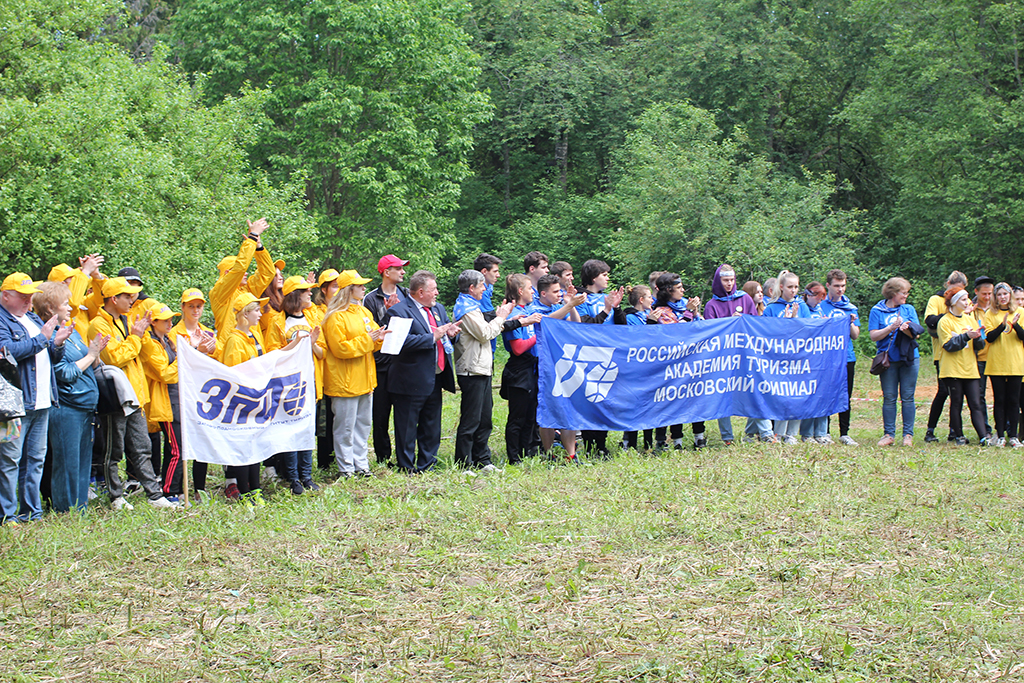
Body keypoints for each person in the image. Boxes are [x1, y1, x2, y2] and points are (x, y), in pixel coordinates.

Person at [87, 277, 176, 509]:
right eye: (127, 296)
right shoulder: (98, 325)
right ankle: (116, 496)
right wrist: (135, 336)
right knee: (114, 450)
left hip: (135, 395)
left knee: (142, 447)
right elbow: (114, 358)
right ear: (113, 299)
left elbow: (140, 352)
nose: (132, 299)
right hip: (114, 396)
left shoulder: (127, 321)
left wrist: (139, 335)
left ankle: (154, 495)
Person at [0, 274, 69, 523]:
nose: (29, 301)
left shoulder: (31, 318)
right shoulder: (2, 320)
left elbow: (49, 355)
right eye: (23, 296)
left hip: (42, 401)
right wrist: (42, 339)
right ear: (5, 296)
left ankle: (31, 512)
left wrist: (57, 343)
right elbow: (7, 351)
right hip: (12, 407)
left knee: (35, 459)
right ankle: (7, 515)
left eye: (30, 295)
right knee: (9, 459)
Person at [33, 282, 107, 513]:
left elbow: (85, 361)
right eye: (65, 303)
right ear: (50, 308)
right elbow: (64, 373)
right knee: (67, 463)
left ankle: (80, 508)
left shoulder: (71, 330)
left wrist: (95, 352)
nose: (70, 307)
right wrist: (91, 355)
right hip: (66, 407)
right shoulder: (48, 336)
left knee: (83, 461)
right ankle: (66, 511)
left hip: (85, 406)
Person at [384, 270, 460, 473]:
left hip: (435, 376)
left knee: (431, 424)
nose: (437, 293)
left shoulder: (438, 309)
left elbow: (444, 334)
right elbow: (399, 343)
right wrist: (432, 337)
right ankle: (406, 466)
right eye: (433, 289)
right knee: (407, 426)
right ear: (420, 292)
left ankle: (428, 464)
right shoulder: (399, 311)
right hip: (409, 379)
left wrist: (451, 334)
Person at [323, 271, 386, 478]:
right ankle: (346, 468)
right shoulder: (335, 317)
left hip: (365, 380)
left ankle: (362, 465)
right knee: (345, 428)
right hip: (345, 382)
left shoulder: (364, 312)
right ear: (348, 290)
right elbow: (340, 348)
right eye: (359, 286)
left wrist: (380, 338)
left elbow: (373, 340)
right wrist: (369, 339)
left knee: (363, 425)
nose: (363, 288)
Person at [453, 270, 514, 473]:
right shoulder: (466, 309)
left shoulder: (474, 306)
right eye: (481, 286)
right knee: (471, 419)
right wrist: (501, 317)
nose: (484, 289)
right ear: (471, 288)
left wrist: (501, 318)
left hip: (482, 368)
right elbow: (485, 333)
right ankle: (464, 463)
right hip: (471, 370)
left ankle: (483, 460)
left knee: (485, 418)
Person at [220, 291, 271, 503]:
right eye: (256, 310)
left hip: (257, 398)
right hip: (243, 400)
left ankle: (255, 489)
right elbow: (233, 373)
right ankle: (243, 490)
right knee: (243, 445)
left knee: (254, 444)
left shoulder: (254, 335)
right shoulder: (234, 340)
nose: (260, 314)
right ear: (245, 314)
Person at [363, 254, 409, 467]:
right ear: (386, 272)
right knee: (380, 414)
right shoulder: (370, 299)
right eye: (398, 268)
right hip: (381, 364)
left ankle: (404, 456)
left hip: (403, 362)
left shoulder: (406, 293)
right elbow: (370, 331)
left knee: (403, 413)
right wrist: (389, 314)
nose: (403, 272)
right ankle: (383, 458)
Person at [703, 264, 757, 446]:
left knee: (754, 390)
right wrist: (728, 323)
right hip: (723, 357)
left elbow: (755, 323)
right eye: (725, 280)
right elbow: (710, 333)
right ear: (718, 281)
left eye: (732, 280)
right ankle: (727, 436)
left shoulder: (745, 299)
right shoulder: (711, 305)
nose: (729, 284)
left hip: (744, 353)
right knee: (723, 395)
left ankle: (755, 431)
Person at [868, 277, 924, 446]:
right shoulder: (877, 310)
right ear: (893, 293)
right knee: (889, 397)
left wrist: (905, 329)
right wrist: (890, 328)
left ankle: (908, 435)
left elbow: (917, 334)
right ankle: (889, 434)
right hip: (888, 360)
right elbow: (873, 336)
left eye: (907, 293)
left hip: (909, 358)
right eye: (903, 293)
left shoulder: (908, 309)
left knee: (908, 397)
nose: (906, 296)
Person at [653, 272, 705, 449]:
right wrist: (689, 312)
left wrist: (695, 312)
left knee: (696, 399)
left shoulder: (683, 307)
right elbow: (677, 333)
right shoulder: (660, 311)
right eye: (679, 288)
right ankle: (675, 441)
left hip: (692, 362)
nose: (683, 291)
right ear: (669, 290)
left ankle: (699, 437)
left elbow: (702, 328)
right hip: (671, 365)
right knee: (673, 402)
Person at [500, 274, 545, 464]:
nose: (533, 292)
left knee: (530, 415)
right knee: (517, 416)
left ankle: (528, 452)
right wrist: (538, 336)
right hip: (519, 370)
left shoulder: (529, 310)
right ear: (520, 291)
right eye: (529, 288)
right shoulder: (514, 315)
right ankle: (514, 456)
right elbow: (518, 348)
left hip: (533, 369)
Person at [209, 218, 275, 345]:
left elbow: (268, 273)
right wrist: (252, 237)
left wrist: (258, 246)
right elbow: (240, 268)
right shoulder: (220, 293)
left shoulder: (247, 291)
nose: (246, 273)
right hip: (233, 350)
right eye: (239, 272)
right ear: (227, 274)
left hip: (253, 348)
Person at [937, 285, 988, 445]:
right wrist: (966, 336)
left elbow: (979, 346)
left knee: (975, 403)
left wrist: (978, 337)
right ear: (954, 302)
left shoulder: (969, 319)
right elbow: (948, 345)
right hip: (952, 369)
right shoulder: (945, 321)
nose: (967, 303)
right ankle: (958, 435)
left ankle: (983, 436)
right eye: (964, 299)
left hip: (970, 369)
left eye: (967, 299)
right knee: (956, 402)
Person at [763, 270, 809, 443]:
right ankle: (779, 432)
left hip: (798, 357)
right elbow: (766, 333)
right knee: (782, 395)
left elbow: (809, 330)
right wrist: (785, 323)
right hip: (778, 359)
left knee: (797, 395)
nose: (793, 290)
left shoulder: (802, 306)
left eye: (796, 287)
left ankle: (792, 433)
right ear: (781, 287)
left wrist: (796, 320)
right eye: (790, 287)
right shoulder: (771, 308)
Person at [923, 271, 968, 442]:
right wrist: (951, 316)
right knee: (943, 391)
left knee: (958, 395)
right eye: (954, 289)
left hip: (962, 356)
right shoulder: (936, 300)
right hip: (942, 354)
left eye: (961, 291)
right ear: (948, 284)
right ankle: (930, 430)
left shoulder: (965, 300)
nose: (957, 294)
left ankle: (953, 430)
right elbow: (930, 321)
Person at [819, 270, 861, 446]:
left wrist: (850, 322)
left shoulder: (850, 307)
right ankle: (825, 432)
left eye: (843, 285)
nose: (840, 289)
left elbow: (856, 335)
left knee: (845, 395)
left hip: (846, 357)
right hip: (826, 357)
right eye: (836, 286)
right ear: (828, 285)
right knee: (826, 394)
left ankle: (844, 433)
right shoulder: (821, 306)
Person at [981, 283, 1024, 447]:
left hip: (1015, 362)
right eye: (999, 295)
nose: (1003, 297)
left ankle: (1013, 436)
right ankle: (1000, 435)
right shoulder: (990, 313)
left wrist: (1015, 325)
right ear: (995, 297)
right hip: (996, 362)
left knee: (1014, 399)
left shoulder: (1020, 312)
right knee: (999, 399)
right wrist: (1002, 325)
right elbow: (989, 337)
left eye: (1005, 294)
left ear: (1010, 295)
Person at [622, 285, 657, 451]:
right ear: (641, 300)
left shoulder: (650, 314)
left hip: (650, 368)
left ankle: (648, 444)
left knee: (649, 406)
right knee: (634, 406)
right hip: (635, 370)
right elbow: (639, 340)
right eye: (649, 297)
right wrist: (651, 323)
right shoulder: (630, 317)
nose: (652, 300)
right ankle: (631, 443)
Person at [313, 269, 341, 470]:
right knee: (324, 418)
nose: (338, 290)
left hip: (342, 371)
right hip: (324, 370)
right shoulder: (316, 312)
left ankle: (338, 457)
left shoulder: (345, 310)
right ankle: (325, 461)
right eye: (334, 286)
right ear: (324, 289)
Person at [799, 282, 832, 444]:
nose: (820, 301)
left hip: (822, 358)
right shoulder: (802, 309)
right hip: (808, 359)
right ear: (809, 295)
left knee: (823, 394)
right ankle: (806, 433)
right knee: (810, 396)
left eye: (822, 298)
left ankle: (821, 433)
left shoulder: (820, 310)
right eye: (818, 297)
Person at [972, 275, 995, 438]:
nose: (987, 297)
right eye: (984, 294)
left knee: (1002, 394)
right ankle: (985, 429)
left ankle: (1005, 427)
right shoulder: (971, 310)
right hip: (978, 358)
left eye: (990, 294)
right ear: (976, 292)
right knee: (979, 395)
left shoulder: (997, 308)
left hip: (996, 357)